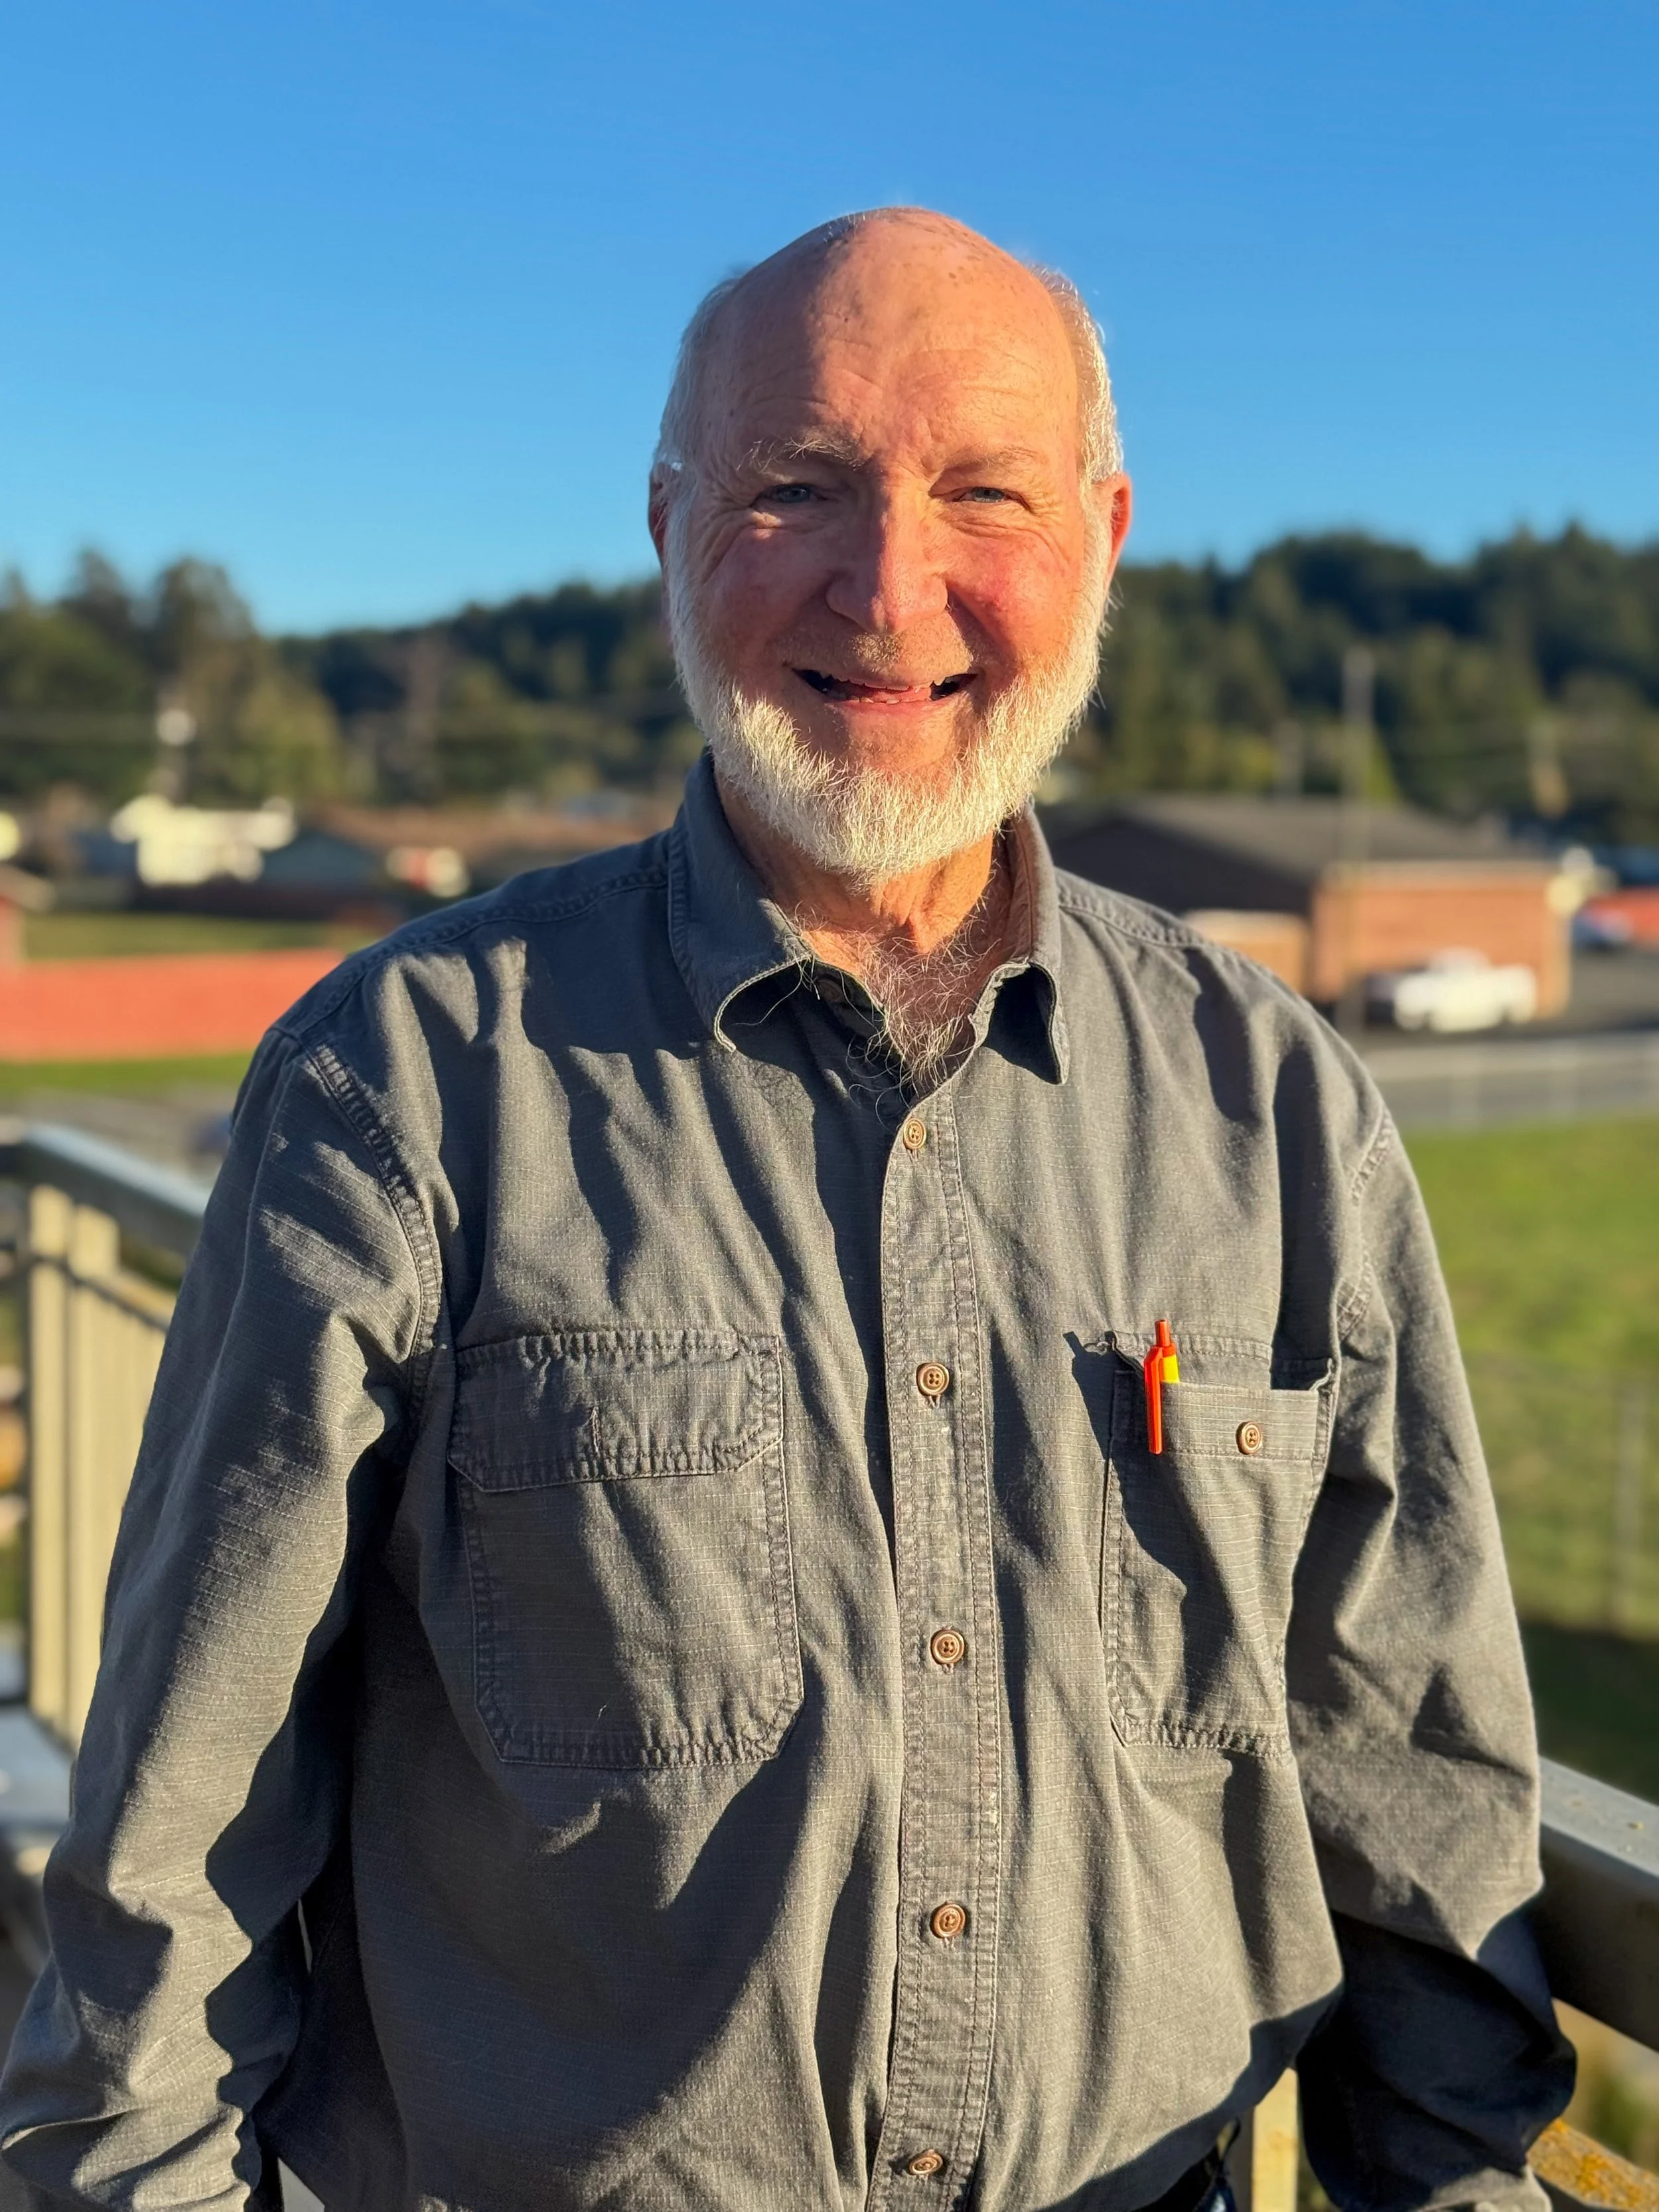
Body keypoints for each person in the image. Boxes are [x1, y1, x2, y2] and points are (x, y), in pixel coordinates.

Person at [0, 208, 1570, 2212]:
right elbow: (172, 1864)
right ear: (668, 525)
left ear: (1100, 532)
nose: (887, 584)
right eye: (794, 487)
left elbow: (1410, 1786)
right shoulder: (400, 1084)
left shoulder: (1275, 1112)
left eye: (980, 492)